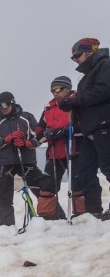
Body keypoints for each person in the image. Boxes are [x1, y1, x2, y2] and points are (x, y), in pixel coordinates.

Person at [0, 92, 56, 226]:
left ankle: (54, 219)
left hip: (26, 160)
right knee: (4, 198)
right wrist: (7, 139)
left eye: (5, 105)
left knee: (42, 188)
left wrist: (28, 143)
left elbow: (40, 136)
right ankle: (7, 227)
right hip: (4, 163)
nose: (2, 108)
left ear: (12, 102)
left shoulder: (27, 118)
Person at [57, 37, 110, 219]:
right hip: (90, 130)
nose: (75, 59)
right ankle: (93, 211)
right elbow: (87, 99)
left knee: (108, 166)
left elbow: (104, 91)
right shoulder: (87, 76)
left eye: (77, 55)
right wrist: (72, 106)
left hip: (104, 124)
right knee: (85, 170)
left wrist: (75, 100)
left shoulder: (105, 65)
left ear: (90, 52)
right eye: (73, 57)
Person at [34, 76, 101, 218]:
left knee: (78, 183)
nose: (55, 93)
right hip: (54, 153)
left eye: (58, 89)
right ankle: (48, 217)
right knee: (47, 184)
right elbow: (39, 132)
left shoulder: (78, 102)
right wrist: (47, 133)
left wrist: (69, 130)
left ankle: (82, 215)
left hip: (75, 150)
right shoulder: (49, 108)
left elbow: (87, 123)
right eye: (52, 90)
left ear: (68, 89)